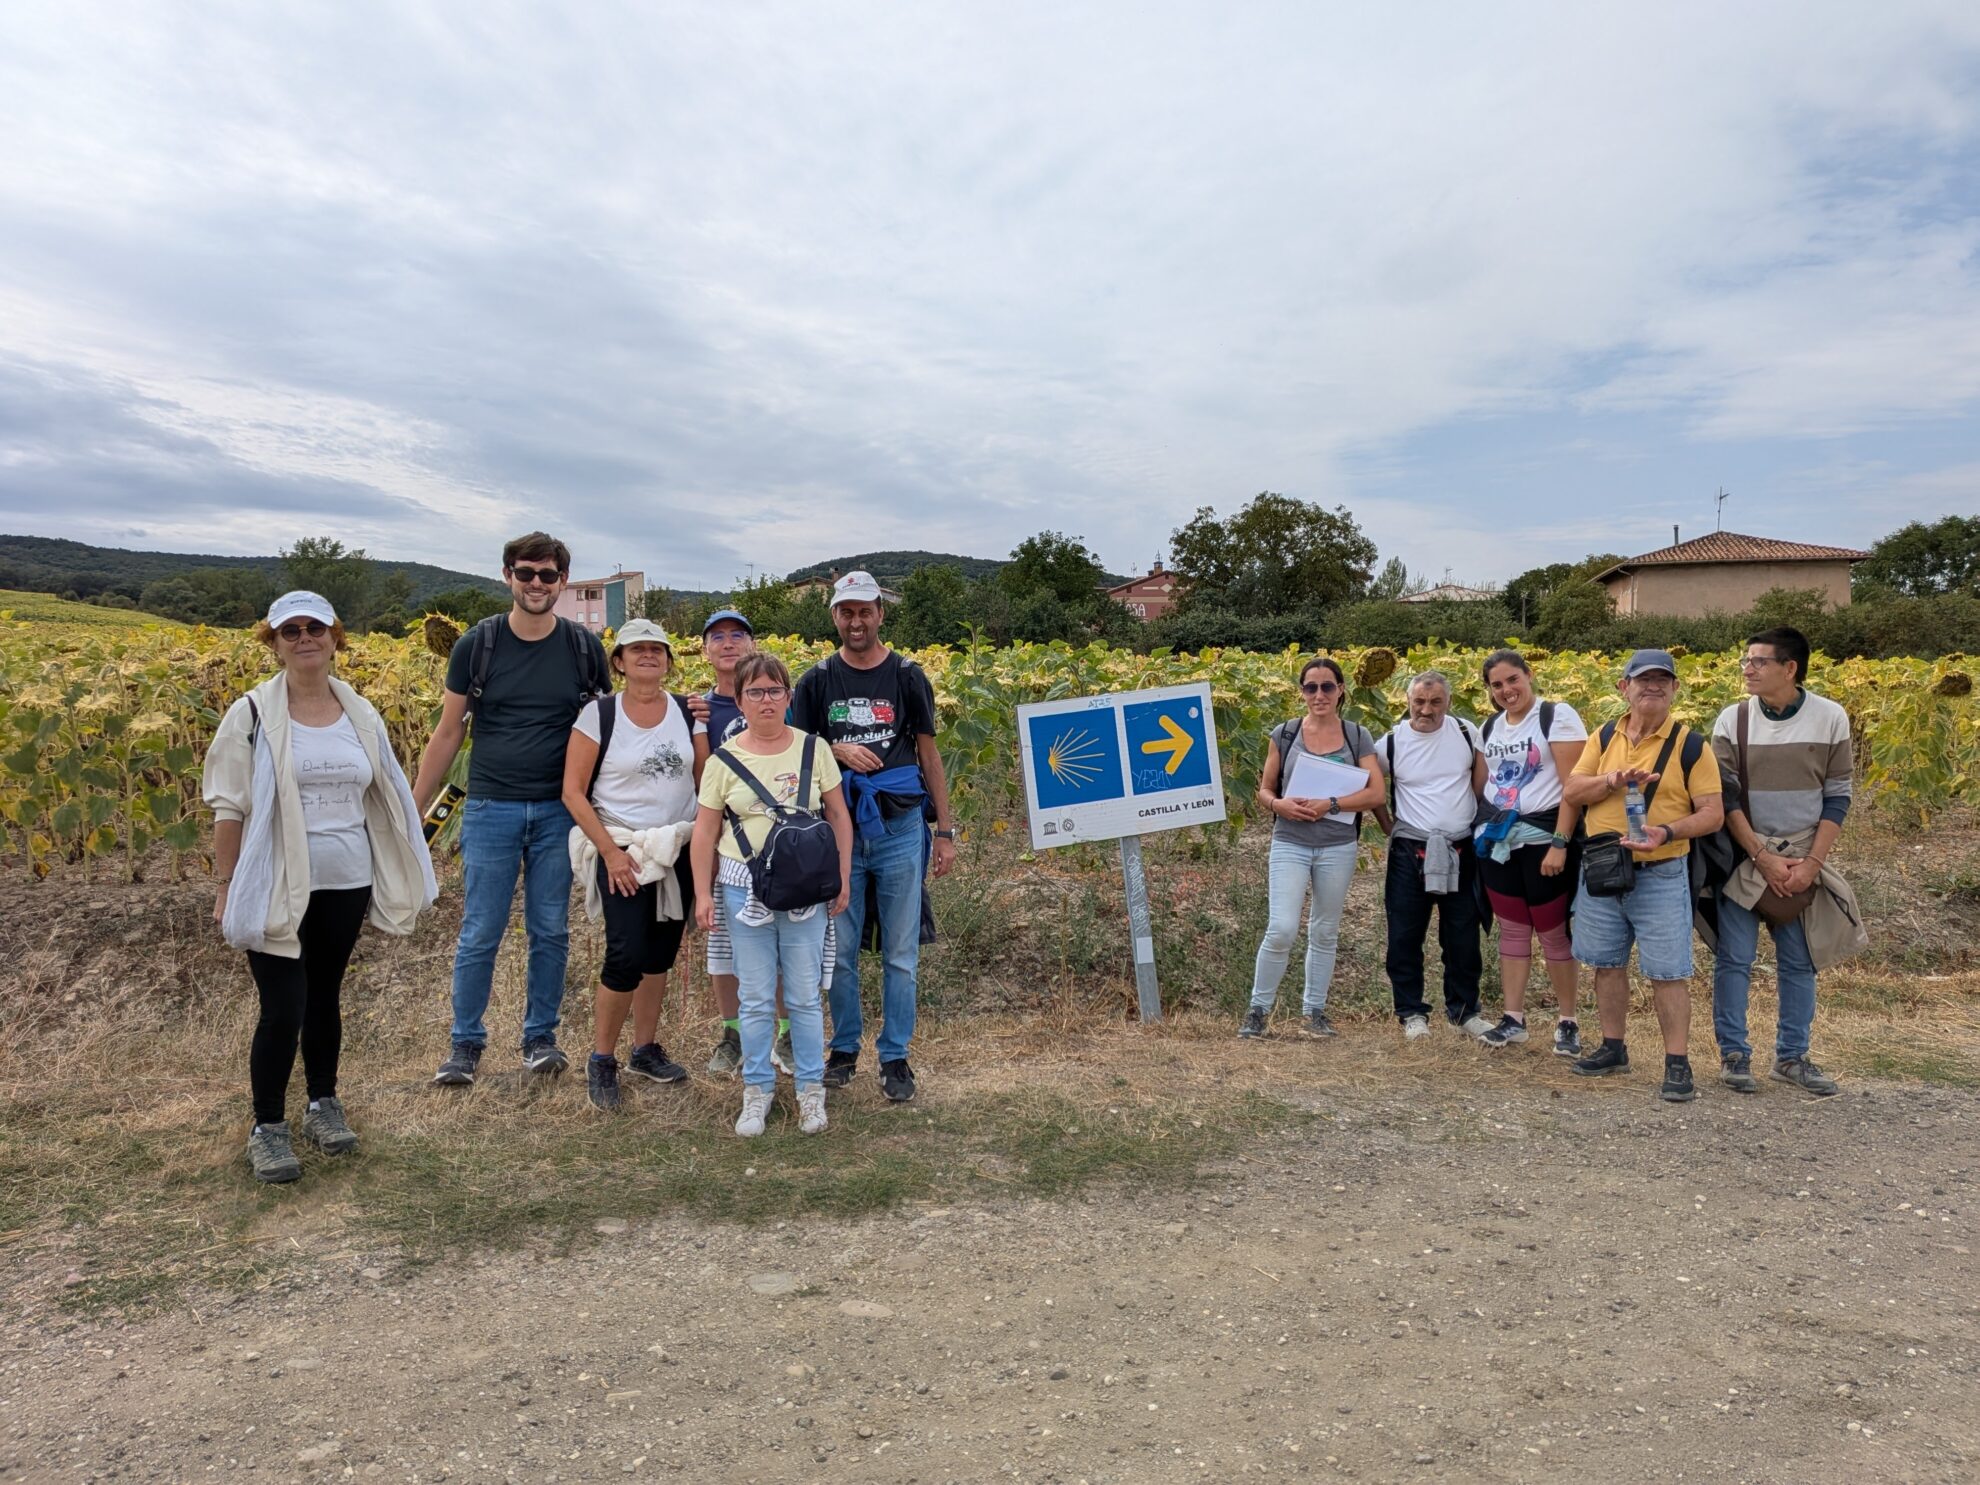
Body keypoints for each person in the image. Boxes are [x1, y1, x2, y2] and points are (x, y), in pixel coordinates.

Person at [204, 592, 438, 1182]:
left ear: (336, 637)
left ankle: (322, 1104)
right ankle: (267, 1128)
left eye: (316, 628)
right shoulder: (250, 714)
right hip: (274, 881)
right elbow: (229, 808)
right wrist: (225, 886)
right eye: (291, 631)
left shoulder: (360, 713)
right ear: (274, 643)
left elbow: (383, 790)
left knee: (324, 996)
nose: (305, 638)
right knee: (283, 1008)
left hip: (346, 879)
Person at [412, 532, 610, 1087]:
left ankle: (539, 1039)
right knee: (481, 930)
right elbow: (448, 732)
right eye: (526, 573)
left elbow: (604, 729)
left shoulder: (583, 648)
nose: (536, 584)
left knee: (550, 929)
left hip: (558, 810)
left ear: (563, 581)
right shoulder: (477, 645)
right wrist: (412, 809)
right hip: (490, 805)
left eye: (548, 575)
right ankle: (465, 1045)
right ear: (507, 576)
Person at [790, 570, 957, 1104]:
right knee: (839, 951)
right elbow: (794, 748)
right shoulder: (816, 682)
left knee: (901, 952)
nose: (856, 621)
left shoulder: (907, 676)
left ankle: (895, 1055)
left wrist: (945, 830)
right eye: (847, 612)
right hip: (837, 831)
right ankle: (843, 1050)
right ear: (834, 617)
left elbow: (929, 754)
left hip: (900, 828)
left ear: (881, 614)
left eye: (865, 610)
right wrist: (834, 750)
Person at [689, 654, 854, 1137]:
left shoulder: (813, 749)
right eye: (756, 692)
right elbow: (705, 832)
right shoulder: (721, 762)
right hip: (744, 890)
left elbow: (838, 815)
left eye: (775, 690)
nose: (766, 700)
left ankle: (810, 1089)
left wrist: (842, 876)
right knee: (756, 997)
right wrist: (702, 894)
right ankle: (757, 1089)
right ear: (740, 701)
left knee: (803, 996)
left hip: (806, 890)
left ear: (788, 697)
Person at [1562, 649, 1724, 1101]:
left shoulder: (1692, 746)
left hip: (1662, 870)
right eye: (1643, 679)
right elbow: (1573, 790)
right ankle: (1613, 1048)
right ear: (1624, 688)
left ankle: (1677, 1062)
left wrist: (1666, 832)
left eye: (1661, 680)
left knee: (1668, 972)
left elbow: (1712, 813)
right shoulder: (1602, 736)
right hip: (1603, 867)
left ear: (1674, 689)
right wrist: (1612, 781)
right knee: (1606, 963)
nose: (1652, 687)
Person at [562, 619, 709, 1112]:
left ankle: (644, 1049)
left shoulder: (688, 712)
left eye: (657, 649)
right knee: (624, 953)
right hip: (623, 848)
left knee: (659, 955)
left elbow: (704, 782)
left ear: (668, 660)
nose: (648, 655)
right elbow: (573, 792)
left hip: (677, 846)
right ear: (619, 662)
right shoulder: (599, 715)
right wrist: (610, 852)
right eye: (636, 649)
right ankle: (602, 1058)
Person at [1710, 627, 1861, 1098]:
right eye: (1746, 661)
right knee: (1734, 959)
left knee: (1799, 962)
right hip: (1745, 858)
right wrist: (1761, 856)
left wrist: (1811, 863)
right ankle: (1734, 1055)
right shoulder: (1732, 720)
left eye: (1759, 661)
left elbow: (1838, 796)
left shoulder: (1830, 717)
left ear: (1790, 668)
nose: (1748, 669)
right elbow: (1724, 798)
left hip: (1801, 859)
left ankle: (1792, 1057)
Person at [1239, 656, 1384, 1039]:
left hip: (1338, 845)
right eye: (1311, 687)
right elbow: (1264, 789)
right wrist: (1278, 805)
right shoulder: (1285, 734)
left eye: (1327, 686)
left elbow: (1376, 793)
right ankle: (1258, 1010)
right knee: (1281, 928)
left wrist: (1330, 805)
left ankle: (1314, 1011)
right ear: (1302, 692)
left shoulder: (1357, 736)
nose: (1319, 694)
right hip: (1291, 841)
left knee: (1325, 930)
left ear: (1341, 690)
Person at [1472, 650, 1590, 1056]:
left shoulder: (1556, 716)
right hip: (1499, 843)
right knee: (1513, 930)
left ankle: (1568, 1021)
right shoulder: (1489, 727)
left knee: (1553, 932)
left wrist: (1560, 842)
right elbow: (1482, 785)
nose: (1507, 690)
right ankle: (1513, 1019)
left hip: (1544, 840)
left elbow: (1573, 787)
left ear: (1529, 675)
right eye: (1497, 685)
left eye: (1512, 680)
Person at [692, 608, 791, 1078]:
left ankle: (787, 1033)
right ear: (704, 649)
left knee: (784, 942)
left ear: (752, 644)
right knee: (725, 947)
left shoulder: (775, 696)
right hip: (724, 847)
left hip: (781, 845)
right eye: (718, 637)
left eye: (737, 634)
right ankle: (732, 1034)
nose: (728, 643)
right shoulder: (695, 710)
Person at [1373, 671, 1492, 1041]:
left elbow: (1479, 781)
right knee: (1405, 936)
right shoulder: (1390, 743)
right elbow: (1371, 785)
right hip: (1410, 852)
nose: (1426, 710)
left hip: (1461, 849)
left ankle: (1465, 1012)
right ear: (1408, 701)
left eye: (1436, 702)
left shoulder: (1466, 733)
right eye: (1419, 702)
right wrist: (1388, 824)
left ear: (1448, 703)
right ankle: (1411, 1012)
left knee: (1462, 936)